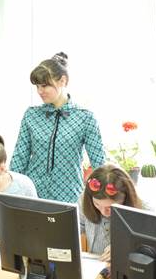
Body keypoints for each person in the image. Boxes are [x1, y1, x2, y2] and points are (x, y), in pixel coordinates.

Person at [10, 52, 106, 203]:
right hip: (32, 195)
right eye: (37, 86)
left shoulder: (85, 118)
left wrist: (100, 198)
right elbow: (19, 158)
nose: (40, 91)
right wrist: (10, 193)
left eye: (45, 85)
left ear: (63, 81)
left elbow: (99, 164)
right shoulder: (31, 115)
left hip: (69, 198)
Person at [80, 164, 151, 273]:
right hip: (96, 271)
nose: (103, 212)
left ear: (125, 200)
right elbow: (72, 229)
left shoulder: (146, 213)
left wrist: (126, 247)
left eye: (110, 208)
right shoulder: (85, 201)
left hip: (131, 272)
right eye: (97, 204)